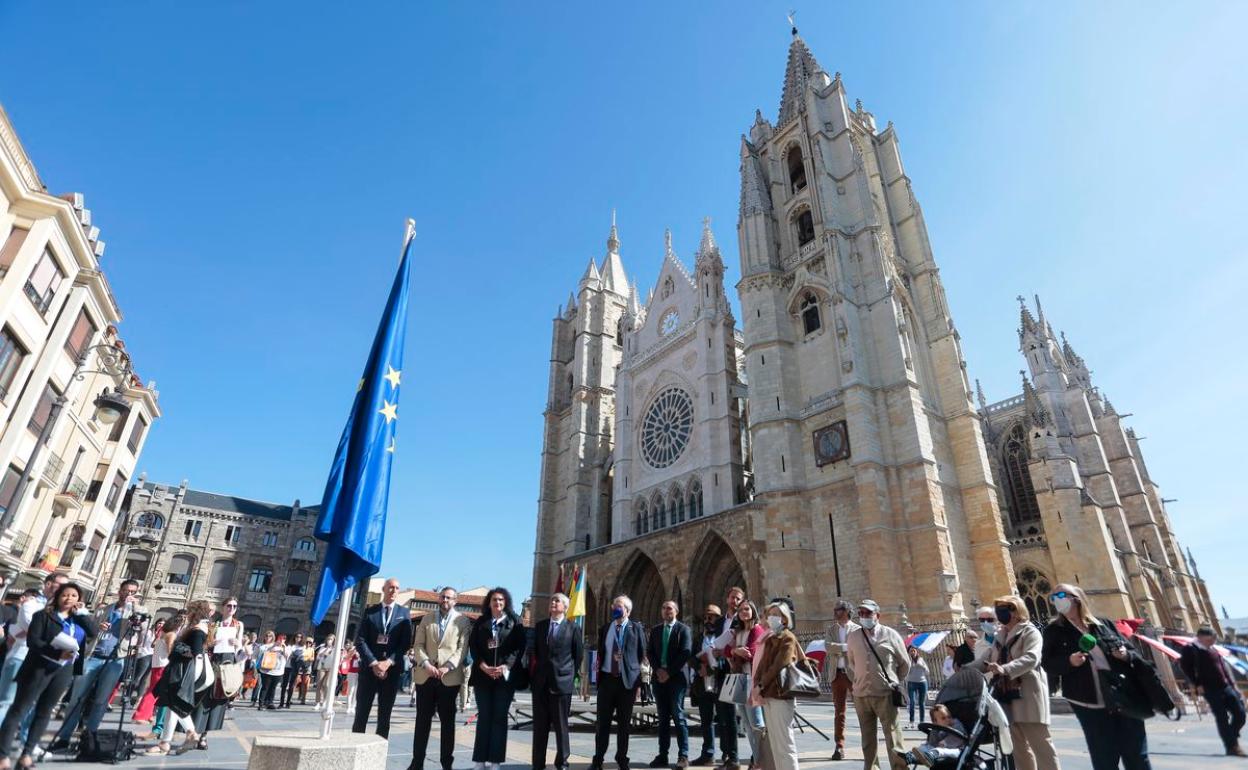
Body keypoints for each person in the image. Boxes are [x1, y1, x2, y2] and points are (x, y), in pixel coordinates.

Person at [1041, 582, 1151, 770]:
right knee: (1104, 759)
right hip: (1088, 701)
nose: (1056, 601)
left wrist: (1125, 654)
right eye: (1053, 598)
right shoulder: (1054, 631)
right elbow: (1048, 663)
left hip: (1124, 696)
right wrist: (1069, 661)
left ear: (1076, 598)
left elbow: (1133, 653)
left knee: (1137, 756)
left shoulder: (1104, 624)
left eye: (1060, 596)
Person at [0, 582, 95, 770]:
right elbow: (33, 641)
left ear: (79, 600)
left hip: (63, 670)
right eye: (65, 595)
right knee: (19, 709)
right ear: (58, 597)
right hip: (38, 668)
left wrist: (83, 615)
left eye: (74, 596)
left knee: (44, 712)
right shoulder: (43, 616)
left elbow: (93, 633)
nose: (69, 599)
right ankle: (2, 755)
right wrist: (56, 653)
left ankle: (26, 754)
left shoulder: (79, 619)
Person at [50, 578, 145, 749]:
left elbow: (142, 628)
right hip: (93, 656)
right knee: (76, 699)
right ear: (120, 591)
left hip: (116, 659)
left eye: (132, 591)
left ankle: (89, 739)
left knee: (101, 701)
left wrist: (135, 607)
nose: (128, 594)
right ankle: (63, 738)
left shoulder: (138, 611)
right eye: (126, 590)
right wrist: (97, 628)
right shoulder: (105, 609)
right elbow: (89, 631)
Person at [981, 595, 1060, 770]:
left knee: (1042, 748)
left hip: (1028, 695)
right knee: (1019, 751)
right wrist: (965, 669)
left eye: (1005, 608)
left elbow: (1032, 658)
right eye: (998, 608)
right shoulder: (999, 636)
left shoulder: (1030, 632)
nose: (1000, 612)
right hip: (1007, 698)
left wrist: (1005, 669)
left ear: (1016, 611)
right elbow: (985, 659)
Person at [409, 586, 472, 770]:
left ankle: (446, 764)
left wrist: (447, 666)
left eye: (449, 598)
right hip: (426, 676)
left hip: (449, 677)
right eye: (443, 597)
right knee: (422, 721)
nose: (445, 600)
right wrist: (426, 664)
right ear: (439, 598)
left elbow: (463, 648)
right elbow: (418, 644)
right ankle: (417, 762)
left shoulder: (463, 621)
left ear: (455, 601)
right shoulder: (427, 618)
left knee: (448, 723)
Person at [845, 599, 909, 770]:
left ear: (877, 615)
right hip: (861, 694)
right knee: (867, 739)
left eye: (868, 613)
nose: (864, 616)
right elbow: (851, 662)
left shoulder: (890, 634)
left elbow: (905, 663)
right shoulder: (853, 636)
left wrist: (893, 681)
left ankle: (899, 768)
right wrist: (859, 679)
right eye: (861, 613)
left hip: (885, 693)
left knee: (893, 736)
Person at [468, 587, 526, 770]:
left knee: (499, 718)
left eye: (501, 599)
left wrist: (505, 666)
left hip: (504, 678)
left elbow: (519, 647)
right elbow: (474, 647)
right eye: (494, 600)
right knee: (484, 717)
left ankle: (495, 760)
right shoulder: (481, 622)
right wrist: (482, 665)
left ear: (506, 602)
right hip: (482, 676)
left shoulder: (514, 622)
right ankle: (479, 759)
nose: (498, 603)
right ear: (489, 602)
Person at [147, 600, 213, 756]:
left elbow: (195, 651)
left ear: (195, 612)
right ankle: (165, 743)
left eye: (190, 611)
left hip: (187, 671)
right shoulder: (201, 627)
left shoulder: (197, 629)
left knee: (175, 703)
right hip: (191, 670)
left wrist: (177, 646)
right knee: (173, 705)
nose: (188, 614)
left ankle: (191, 733)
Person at [0, 575, 66, 726]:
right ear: (49, 584)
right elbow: (34, 630)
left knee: (31, 705)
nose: (64, 590)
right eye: (61, 585)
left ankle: (24, 744)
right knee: (6, 701)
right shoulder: (31, 604)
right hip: (20, 657)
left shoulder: (60, 611)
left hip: (44, 661)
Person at [591, 594, 646, 770]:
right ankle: (598, 759)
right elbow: (601, 652)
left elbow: (641, 656)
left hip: (626, 683)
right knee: (602, 724)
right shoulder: (606, 628)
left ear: (627, 610)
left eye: (619, 605)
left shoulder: (636, 628)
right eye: (614, 605)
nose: (615, 608)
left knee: (624, 724)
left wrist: (637, 681)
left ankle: (622, 758)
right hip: (607, 680)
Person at [353, 577, 413, 738]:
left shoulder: (404, 613)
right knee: (361, 712)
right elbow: (360, 640)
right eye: (391, 587)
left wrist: (388, 662)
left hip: (392, 671)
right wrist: (373, 663)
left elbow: (405, 643)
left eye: (397, 588)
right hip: (369, 670)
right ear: (384, 589)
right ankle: (356, 744)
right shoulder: (370, 611)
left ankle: (379, 747)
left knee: (384, 715)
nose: (394, 591)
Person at [531, 592, 584, 770]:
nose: (553, 602)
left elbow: (578, 656)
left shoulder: (573, 628)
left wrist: (567, 675)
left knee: (561, 727)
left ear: (566, 607)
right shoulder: (540, 626)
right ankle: (538, 763)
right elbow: (537, 653)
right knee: (539, 727)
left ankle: (562, 762)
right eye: (551, 600)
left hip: (561, 683)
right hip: (541, 684)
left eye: (557, 600)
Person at [1180, 626, 1246, 756]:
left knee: (1240, 714)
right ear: (1200, 637)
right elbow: (1185, 667)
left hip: (1225, 687)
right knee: (1222, 717)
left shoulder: (1213, 649)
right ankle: (1232, 747)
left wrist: (1234, 686)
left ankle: (1231, 736)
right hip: (1209, 689)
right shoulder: (1191, 649)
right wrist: (1196, 683)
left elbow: (1223, 668)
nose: (1213, 642)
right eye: (1210, 639)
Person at [755, 601, 803, 770]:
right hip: (768, 693)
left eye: (776, 614)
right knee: (775, 742)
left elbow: (779, 665)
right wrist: (756, 684)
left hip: (781, 694)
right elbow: (762, 666)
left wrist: (760, 685)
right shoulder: (771, 638)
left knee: (785, 742)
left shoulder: (787, 638)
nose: (771, 618)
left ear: (784, 619)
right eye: (770, 615)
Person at [193, 598, 246, 750]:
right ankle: (196, 731)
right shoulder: (213, 623)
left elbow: (240, 650)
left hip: (228, 663)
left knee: (219, 699)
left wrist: (238, 644)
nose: (232, 608)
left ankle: (204, 736)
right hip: (212, 661)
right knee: (204, 697)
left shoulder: (238, 625)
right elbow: (204, 645)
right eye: (229, 605)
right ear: (222, 607)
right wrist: (211, 643)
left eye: (235, 606)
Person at [647, 600, 693, 769]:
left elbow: (685, 653)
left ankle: (683, 755)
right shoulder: (656, 630)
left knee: (678, 716)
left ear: (676, 611)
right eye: (664, 608)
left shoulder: (683, 630)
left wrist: (669, 672)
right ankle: (663, 755)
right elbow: (650, 652)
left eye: (670, 608)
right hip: (659, 679)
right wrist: (658, 670)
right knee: (663, 718)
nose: (667, 611)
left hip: (675, 679)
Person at [703, 587, 745, 770]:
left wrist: (725, 650)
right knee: (722, 715)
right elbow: (713, 643)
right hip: (720, 671)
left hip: (737, 670)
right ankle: (726, 755)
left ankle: (734, 758)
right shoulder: (720, 622)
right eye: (732, 597)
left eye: (738, 598)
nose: (734, 601)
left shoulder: (743, 620)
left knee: (732, 715)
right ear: (727, 599)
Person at [724, 601, 766, 770]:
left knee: (757, 724)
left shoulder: (756, 629)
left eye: (747, 609)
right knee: (747, 726)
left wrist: (737, 650)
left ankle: (761, 760)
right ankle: (757, 759)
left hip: (751, 680)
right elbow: (726, 650)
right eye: (741, 610)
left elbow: (752, 653)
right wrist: (736, 651)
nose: (744, 612)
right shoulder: (738, 631)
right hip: (739, 679)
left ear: (753, 611)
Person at [823, 599, 859, 761]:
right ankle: (839, 745)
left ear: (846, 611)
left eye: (838, 610)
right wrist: (845, 647)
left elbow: (857, 649)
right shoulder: (831, 629)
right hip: (836, 674)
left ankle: (868, 742)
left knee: (863, 710)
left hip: (853, 675)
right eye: (835, 609)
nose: (835, 612)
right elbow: (828, 646)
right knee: (839, 712)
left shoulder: (857, 629)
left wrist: (840, 648)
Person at [689, 605, 722, 767]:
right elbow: (691, 656)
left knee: (724, 720)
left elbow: (725, 657)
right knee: (706, 721)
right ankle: (708, 753)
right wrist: (698, 667)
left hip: (719, 683)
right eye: (706, 617)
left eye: (712, 616)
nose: (708, 620)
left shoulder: (723, 636)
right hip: (702, 683)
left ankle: (728, 754)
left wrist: (711, 668)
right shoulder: (698, 638)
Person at [133, 615, 181, 724]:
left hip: (157, 664)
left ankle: (148, 714)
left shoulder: (162, 634)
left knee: (154, 690)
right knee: (153, 691)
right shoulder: (171, 635)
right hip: (163, 665)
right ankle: (140, 715)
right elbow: (170, 650)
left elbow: (154, 645)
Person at [128, 618, 159, 704]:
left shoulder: (161, 634)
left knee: (144, 679)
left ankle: (139, 697)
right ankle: (128, 695)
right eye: (159, 623)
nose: (160, 625)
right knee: (138, 677)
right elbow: (146, 642)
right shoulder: (149, 632)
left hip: (153, 656)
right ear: (156, 623)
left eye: (163, 624)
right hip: (145, 655)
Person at [255, 631, 287, 710]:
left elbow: (286, 656)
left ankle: (270, 702)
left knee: (273, 688)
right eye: (267, 636)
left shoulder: (284, 647)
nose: (281, 640)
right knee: (265, 687)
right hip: (266, 670)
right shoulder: (264, 646)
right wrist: (273, 646)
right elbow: (264, 654)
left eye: (283, 639)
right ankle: (261, 704)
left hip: (278, 671)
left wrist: (283, 647)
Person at [905, 646, 929, 727]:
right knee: (912, 702)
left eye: (914, 651)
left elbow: (927, 672)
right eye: (911, 651)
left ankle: (922, 721)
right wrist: (910, 667)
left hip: (922, 682)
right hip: (911, 683)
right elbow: (905, 672)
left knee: (921, 703)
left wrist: (921, 666)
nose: (912, 652)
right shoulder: (908, 661)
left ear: (916, 652)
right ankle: (911, 721)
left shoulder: (921, 660)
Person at [280, 632, 304, 708]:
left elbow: (302, 657)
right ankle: (281, 702)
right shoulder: (290, 646)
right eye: (297, 636)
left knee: (291, 686)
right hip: (287, 666)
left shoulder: (302, 647)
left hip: (295, 667)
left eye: (300, 637)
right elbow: (285, 654)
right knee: (284, 685)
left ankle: (288, 702)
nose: (298, 638)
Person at [313, 634, 337, 711]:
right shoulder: (322, 647)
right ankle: (317, 702)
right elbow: (318, 657)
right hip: (322, 667)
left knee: (326, 685)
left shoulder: (335, 649)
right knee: (319, 684)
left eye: (331, 639)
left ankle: (325, 701)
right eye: (328, 639)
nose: (329, 641)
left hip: (330, 668)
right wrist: (325, 652)